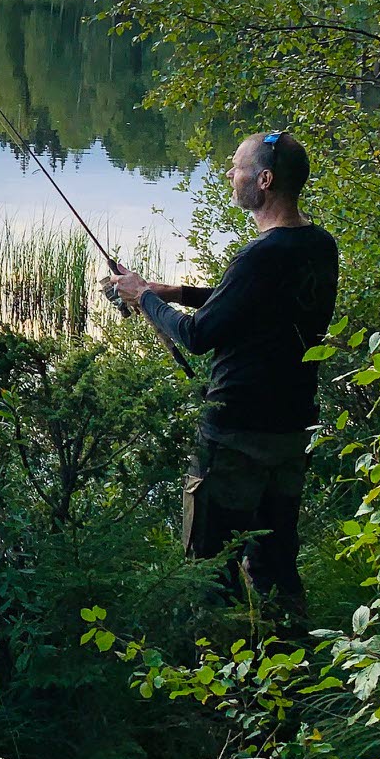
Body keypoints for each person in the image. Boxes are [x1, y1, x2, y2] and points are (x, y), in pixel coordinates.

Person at [106, 131, 338, 612]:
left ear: (265, 180)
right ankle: (290, 663)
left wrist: (142, 298)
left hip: (236, 435)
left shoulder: (260, 255)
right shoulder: (318, 245)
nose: (230, 176)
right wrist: (174, 291)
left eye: (237, 168)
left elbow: (197, 337)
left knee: (210, 566)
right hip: (293, 430)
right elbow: (260, 305)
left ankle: (219, 678)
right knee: (275, 557)